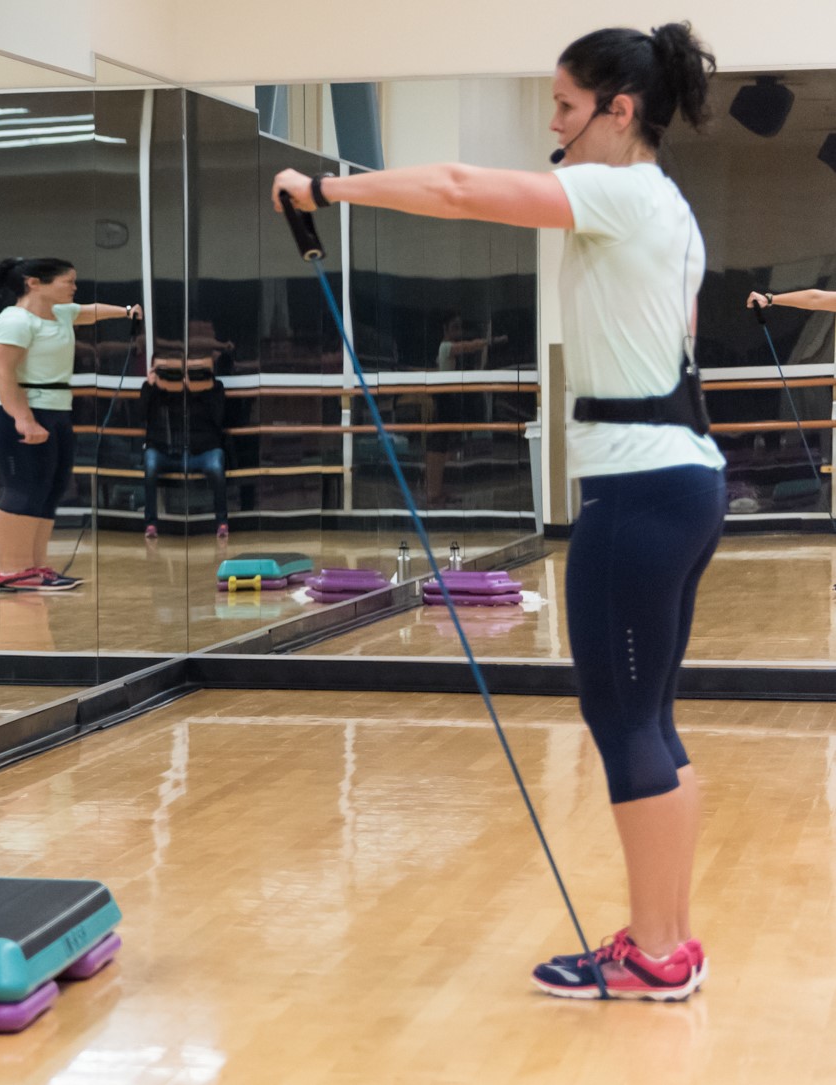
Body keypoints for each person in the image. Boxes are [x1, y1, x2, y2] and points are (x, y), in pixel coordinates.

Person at [277, 22, 721, 1000]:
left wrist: (326, 191)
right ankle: (668, 939)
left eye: (565, 106)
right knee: (650, 717)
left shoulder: (618, 190)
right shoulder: (668, 208)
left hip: (640, 487)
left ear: (620, 109)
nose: (553, 125)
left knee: (624, 717)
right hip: (681, 477)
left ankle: (653, 952)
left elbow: (459, 190)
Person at [0, 256, 139, 593]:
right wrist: (24, 419)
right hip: (16, 411)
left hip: (56, 409)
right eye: (68, 281)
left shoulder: (60, 313)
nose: (74, 287)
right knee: (23, 490)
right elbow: (3, 375)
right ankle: (10, 571)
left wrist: (126, 311)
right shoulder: (13, 321)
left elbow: (90, 310)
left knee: (49, 490)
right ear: (35, 283)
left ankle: (34, 569)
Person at [136, 355, 229, 540]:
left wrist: (199, 389)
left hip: (201, 452)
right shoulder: (154, 389)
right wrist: (152, 387)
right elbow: (140, 416)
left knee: (217, 465)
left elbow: (219, 419)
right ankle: (151, 524)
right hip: (166, 452)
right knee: (150, 463)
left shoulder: (214, 388)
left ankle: (222, 522)